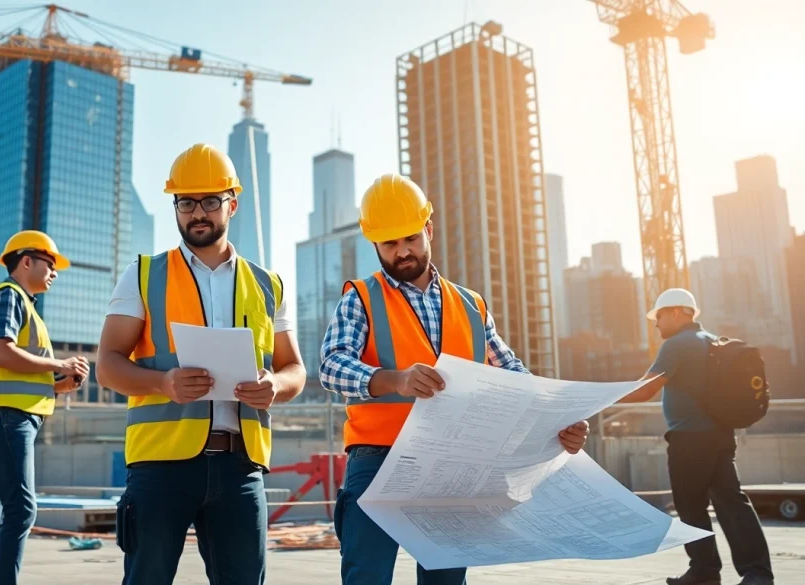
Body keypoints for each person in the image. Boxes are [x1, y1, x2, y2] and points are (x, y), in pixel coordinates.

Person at [319, 173, 590, 585]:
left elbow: (513, 376)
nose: (402, 251)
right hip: (378, 460)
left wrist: (557, 422)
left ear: (428, 229)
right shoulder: (360, 297)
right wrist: (393, 380)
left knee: (446, 580)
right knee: (367, 576)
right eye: (389, 244)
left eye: (410, 238)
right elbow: (332, 365)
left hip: (450, 464)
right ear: (374, 244)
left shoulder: (471, 305)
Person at [96, 143, 307, 585]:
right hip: (160, 465)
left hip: (241, 467)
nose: (197, 213)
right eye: (186, 202)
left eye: (210, 201)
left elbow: (295, 370)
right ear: (175, 206)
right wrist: (163, 382)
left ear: (232, 203)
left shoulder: (269, 285)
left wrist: (275, 386)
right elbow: (109, 366)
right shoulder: (143, 274)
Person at [0, 230, 90, 585]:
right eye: (50, 264)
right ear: (26, 261)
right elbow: (3, 353)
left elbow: (14, 378)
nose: (55, 272)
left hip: (0, 418)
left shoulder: (23, 306)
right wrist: (60, 364)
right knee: (22, 511)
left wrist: (58, 387)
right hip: (4, 421)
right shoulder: (10, 296)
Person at [618, 288, 774, 585]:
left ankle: (704, 572)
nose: (656, 324)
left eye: (659, 316)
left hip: (690, 439)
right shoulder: (712, 340)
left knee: (691, 506)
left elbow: (644, 390)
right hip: (719, 436)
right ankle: (758, 574)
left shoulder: (678, 344)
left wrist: (599, 397)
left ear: (677, 312)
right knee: (732, 504)